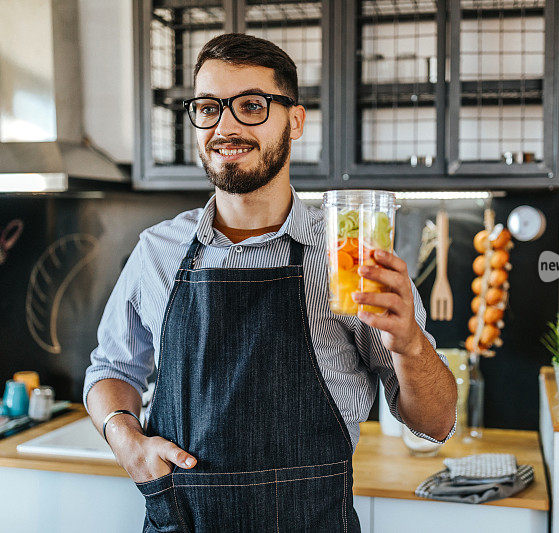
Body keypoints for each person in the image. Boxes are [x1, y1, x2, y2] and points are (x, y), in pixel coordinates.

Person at [84, 33, 457, 532]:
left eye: (252, 106)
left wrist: (410, 344)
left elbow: (435, 423)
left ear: (295, 120)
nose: (227, 126)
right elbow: (112, 367)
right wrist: (125, 440)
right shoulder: (158, 251)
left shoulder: (349, 257)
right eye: (209, 107)